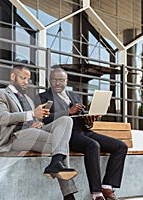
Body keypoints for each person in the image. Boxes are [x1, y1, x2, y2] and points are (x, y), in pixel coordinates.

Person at [34, 67, 128, 200]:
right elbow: (44, 119)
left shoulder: (75, 96)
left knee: (120, 146)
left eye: (61, 80)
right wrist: (68, 112)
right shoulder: (42, 97)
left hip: (84, 131)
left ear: (66, 81)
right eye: (54, 80)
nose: (57, 83)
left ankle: (107, 186)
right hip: (65, 135)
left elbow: (83, 118)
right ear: (50, 81)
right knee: (93, 145)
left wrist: (90, 119)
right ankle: (96, 194)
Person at [0, 65, 78, 200]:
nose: (26, 82)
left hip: (34, 133)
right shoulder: (1, 93)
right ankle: (68, 194)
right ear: (13, 77)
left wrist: (39, 122)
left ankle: (56, 162)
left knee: (66, 120)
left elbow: (35, 120)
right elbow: (3, 118)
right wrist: (32, 113)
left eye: (28, 79)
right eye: (23, 78)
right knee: (61, 143)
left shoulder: (29, 99)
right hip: (16, 136)